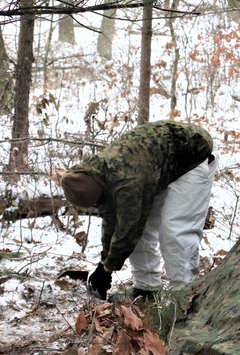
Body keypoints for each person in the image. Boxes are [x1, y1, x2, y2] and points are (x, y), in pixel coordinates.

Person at [60, 120, 217, 301]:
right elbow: (112, 220)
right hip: (160, 164)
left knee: (174, 230)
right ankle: (147, 289)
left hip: (194, 155)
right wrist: (104, 262)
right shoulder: (97, 173)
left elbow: (129, 228)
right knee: (140, 230)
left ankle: (183, 296)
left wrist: (107, 269)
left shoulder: (126, 181)